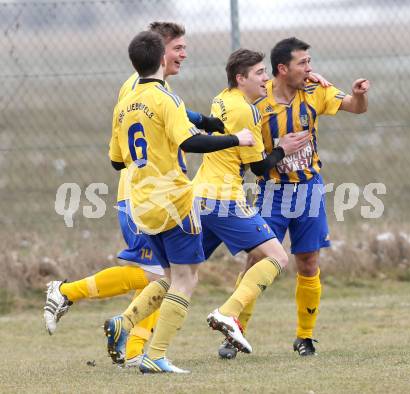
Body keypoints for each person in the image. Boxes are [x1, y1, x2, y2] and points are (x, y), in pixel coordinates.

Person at [43, 22, 224, 368]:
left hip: (148, 195)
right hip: (144, 195)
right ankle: (69, 295)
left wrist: (204, 119)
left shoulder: (154, 87)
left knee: (160, 275)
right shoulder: (140, 89)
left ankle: (133, 343)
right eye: (178, 48)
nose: (184, 55)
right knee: (157, 275)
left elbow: (176, 115)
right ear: (159, 51)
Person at [104, 30, 255, 373]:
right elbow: (190, 144)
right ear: (161, 59)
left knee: (170, 276)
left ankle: (124, 323)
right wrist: (237, 138)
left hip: (141, 203)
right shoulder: (165, 99)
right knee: (187, 280)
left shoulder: (125, 102)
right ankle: (156, 356)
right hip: (173, 200)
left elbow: (116, 161)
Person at [221, 37, 369, 359]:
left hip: (309, 190)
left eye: (310, 61)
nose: (310, 68)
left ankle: (305, 337)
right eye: (303, 63)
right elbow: (251, 160)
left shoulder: (315, 91)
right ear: (282, 69)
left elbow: (356, 109)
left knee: (308, 262)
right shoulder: (257, 104)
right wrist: (279, 150)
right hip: (272, 192)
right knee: (257, 260)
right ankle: (234, 331)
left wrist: (358, 95)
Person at [190, 49, 305, 353]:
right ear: (241, 78)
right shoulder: (247, 111)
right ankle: (227, 313)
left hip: (198, 195)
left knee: (177, 271)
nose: (266, 79)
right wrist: (282, 148)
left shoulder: (221, 98)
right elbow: (257, 168)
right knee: (277, 257)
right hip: (224, 198)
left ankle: (125, 323)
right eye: (259, 73)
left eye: (267, 72)